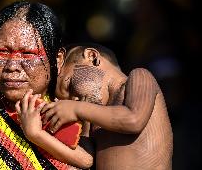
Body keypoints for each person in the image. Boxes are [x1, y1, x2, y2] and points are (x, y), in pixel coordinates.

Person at [0, 1, 93, 170]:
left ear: (58, 60)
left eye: (28, 54)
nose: (12, 66)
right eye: (3, 52)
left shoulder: (73, 120)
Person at [41, 43, 173, 169]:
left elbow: (134, 120)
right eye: (69, 100)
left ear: (92, 57)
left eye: (69, 86)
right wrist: (37, 135)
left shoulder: (139, 76)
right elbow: (87, 160)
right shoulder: (92, 118)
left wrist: (76, 109)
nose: (73, 100)